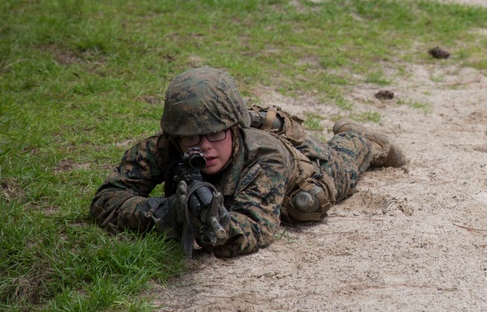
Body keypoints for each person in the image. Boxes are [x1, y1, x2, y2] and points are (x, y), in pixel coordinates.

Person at [90, 68, 406, 258]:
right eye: (191, 139)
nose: (203, 148)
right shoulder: (166, 145)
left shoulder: (264, 157)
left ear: (233, 130)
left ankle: (360, 139)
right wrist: (161, 212)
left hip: (296, 171)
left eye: (214, 135)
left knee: (310, 201)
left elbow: (259, 224)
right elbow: (106, 200)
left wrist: (217, 229)